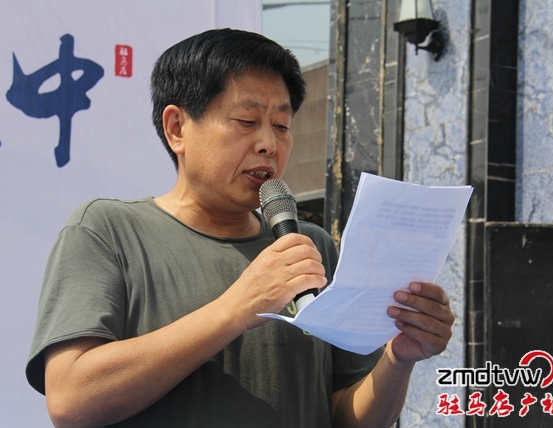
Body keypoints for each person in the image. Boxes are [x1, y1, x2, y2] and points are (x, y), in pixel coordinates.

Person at [26, 28, 455, 428]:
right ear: (177, 128)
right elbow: (71, 399)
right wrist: (235, 309)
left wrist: (398, 359)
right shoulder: (109, 231)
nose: (269, 144)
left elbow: (347, 415)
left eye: (282, 126)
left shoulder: (311, 247)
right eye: (247, 122)